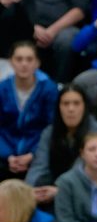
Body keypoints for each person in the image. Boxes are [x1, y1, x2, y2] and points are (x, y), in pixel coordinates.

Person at [25, 83, 97, 206]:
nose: (71, 109)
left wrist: (60, 191)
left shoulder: (96, 131)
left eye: (76, 103)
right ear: (59, 107)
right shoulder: (49, 132)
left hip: (84, 192)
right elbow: (39, 166)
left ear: (85, 107)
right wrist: (28, 191)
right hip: (52, 188)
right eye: (66, 104)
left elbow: (82, 170)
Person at [0, 40, 57, 181]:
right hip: (5, 154)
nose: (24, 64)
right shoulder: (2, 88)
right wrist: (7, 156)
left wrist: (32, 154)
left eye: (29, 59)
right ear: (11, 62)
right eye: (19, 59)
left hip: (38, 154)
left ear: (37, 63)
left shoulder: (49, 89)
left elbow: (51, 128)